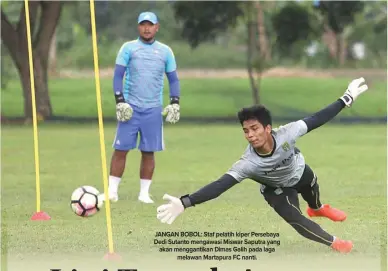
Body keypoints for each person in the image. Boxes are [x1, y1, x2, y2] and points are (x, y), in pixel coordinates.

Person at [156, 78, 369, 253]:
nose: (250, 135)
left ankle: (318, 208)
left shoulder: (289, 132)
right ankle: (335, 243)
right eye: (246, 130)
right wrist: (185, 202)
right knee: (295, 218)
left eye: (255, 128)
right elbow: (220, 185)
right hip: (276, 188)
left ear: (268, 128)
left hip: (299, 170)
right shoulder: (248, 163)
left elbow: (317, 118)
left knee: (312, 188)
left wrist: (346, 98)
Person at [104, 11, 181, 204]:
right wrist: (120, 100)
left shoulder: (165, 51)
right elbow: (117, 76)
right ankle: (112, 191)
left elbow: (173, 79)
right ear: (138, 27)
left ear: (157, 27)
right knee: (121, 150)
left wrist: (175, 102)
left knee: (149, 151)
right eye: (143, 24)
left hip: (153, 109)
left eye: (150, 24)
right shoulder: (128, 48)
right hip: (130, 108)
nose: (147, 28)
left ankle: (144, 194)